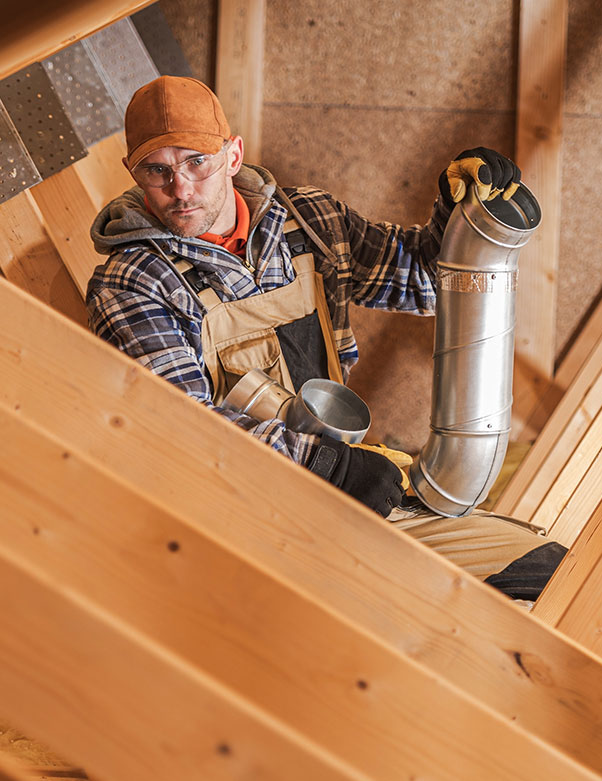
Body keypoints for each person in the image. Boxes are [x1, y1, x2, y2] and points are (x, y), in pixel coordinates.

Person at [87, 75, 565, 601]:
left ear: (232, 155)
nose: (181, 189)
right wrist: (323, 464)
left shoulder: (307, 220)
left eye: (196, 162)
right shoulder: (133, 282)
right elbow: (182, 429)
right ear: (134, 174)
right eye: (158, 171)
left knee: (554, 578)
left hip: (348, 491)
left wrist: (458, 221)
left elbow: (425, 283)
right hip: (242, 524)